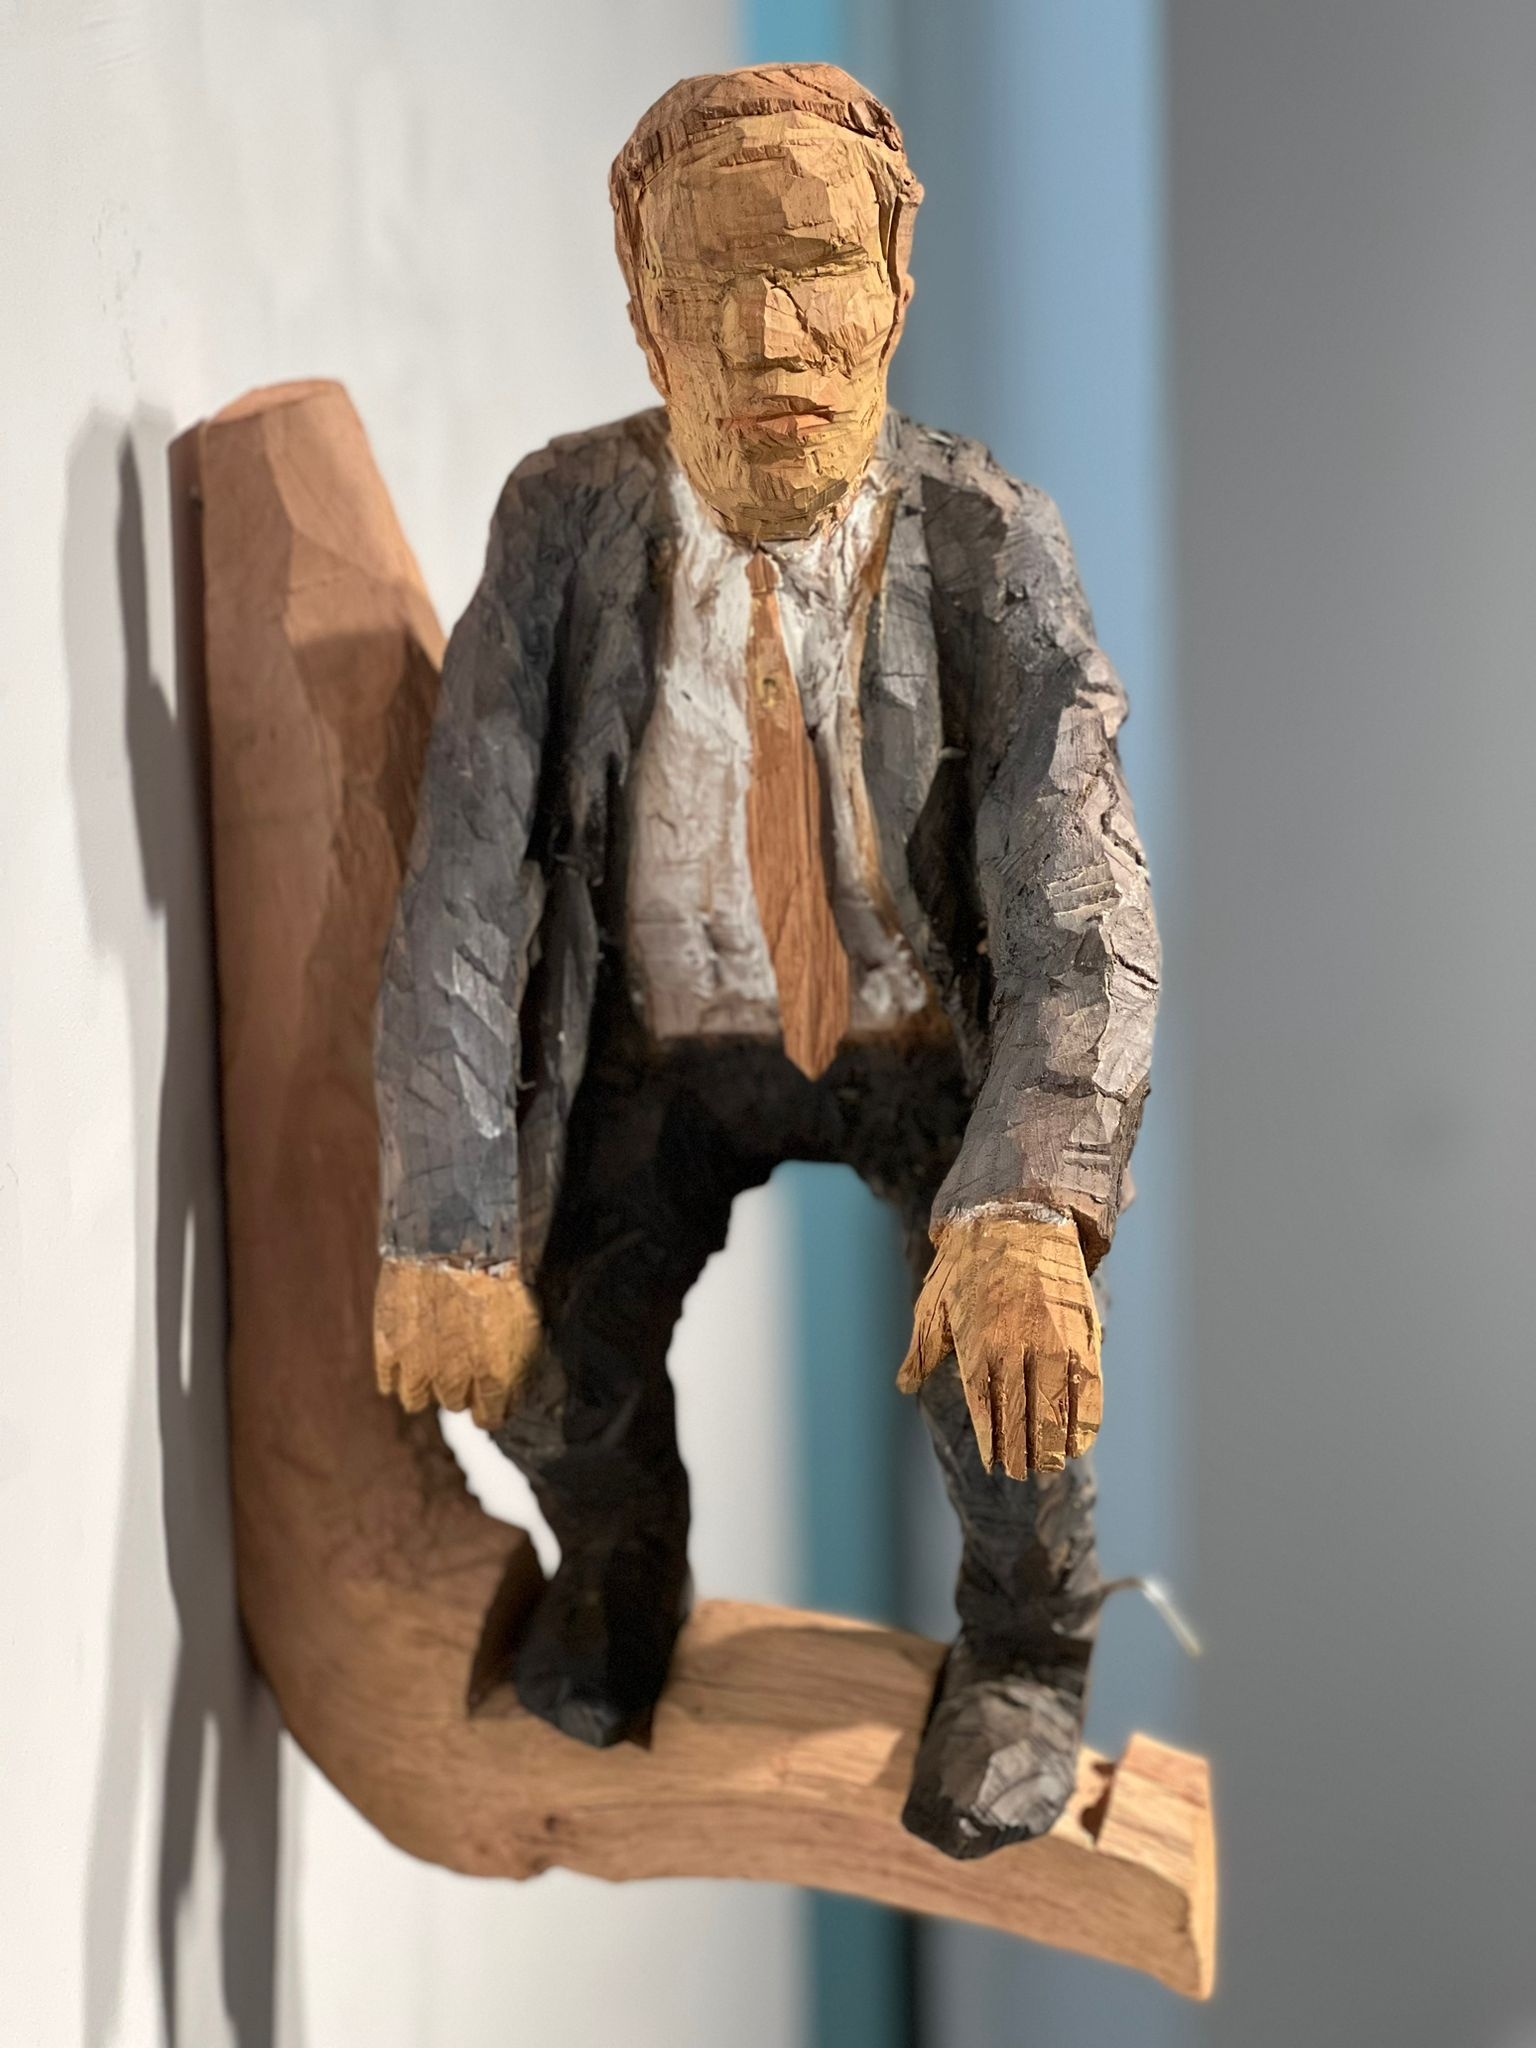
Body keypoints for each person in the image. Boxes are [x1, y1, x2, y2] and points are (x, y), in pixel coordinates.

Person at [373, 64, 1158, 1860]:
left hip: (919, 1033)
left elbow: (1080, 898)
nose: (767, 334)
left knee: (1010, 1361)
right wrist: (443, 1220)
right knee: (545, 1350)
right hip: (658, 1036)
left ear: (897, 285)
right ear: (643, 310)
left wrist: (1034, 1202)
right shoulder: (562, 523)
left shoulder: (989, 542)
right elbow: (464, 881)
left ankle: (1027, 1655)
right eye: (710, 280)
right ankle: (620, 1569)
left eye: (813, 267)